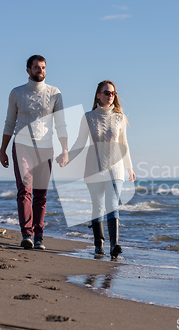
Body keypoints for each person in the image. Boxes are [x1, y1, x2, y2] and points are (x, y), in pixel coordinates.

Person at [58, 80, 135, 259]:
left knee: (112, 206)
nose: (110, 96)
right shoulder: (88, 117)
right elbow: (80, 142)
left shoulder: (120, 118)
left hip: (116, 170)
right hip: (93, 169)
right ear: (98, 95)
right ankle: (99, 244)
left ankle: (115, 245)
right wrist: (67, 156)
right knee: (98, 206)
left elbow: (124, 144)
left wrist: (129, 167)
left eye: (113, 93)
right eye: (107, 93)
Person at [0, 55, 69, 250]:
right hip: (22, 145)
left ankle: (39, 236)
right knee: (24, 190)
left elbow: (61, 124)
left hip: (45, 147)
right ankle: (27, 234)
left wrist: (65, 150)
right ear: (28, 70)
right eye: (37, 67)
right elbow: (9, 122)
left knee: (41, 194)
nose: (41, 71)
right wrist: (3, 149)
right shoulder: (16, 93)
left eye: (43, 67)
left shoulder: (55, 93)